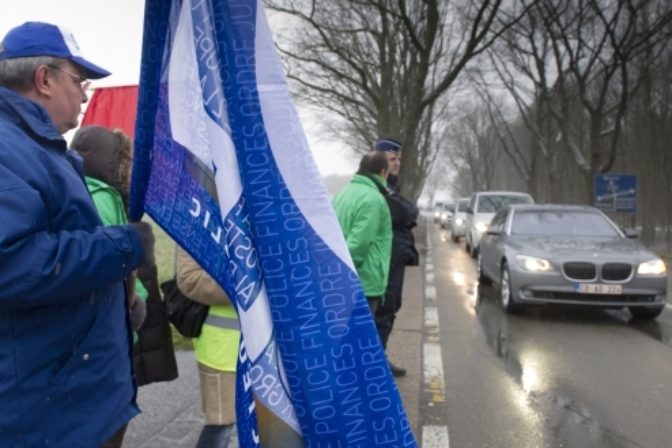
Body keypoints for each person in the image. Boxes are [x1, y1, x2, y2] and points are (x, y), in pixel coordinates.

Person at [0, 22, 155, 447]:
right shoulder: (7, 148)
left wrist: (114, 306)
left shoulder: (39, 148)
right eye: (79, 81)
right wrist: (125, 246)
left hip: (70, 399)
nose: (86, 94)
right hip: (44, 415)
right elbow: (12, 264)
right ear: (43, 79)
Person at [71, 125, 148, 336]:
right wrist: (135, 300)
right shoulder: (102, 197)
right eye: (125, 160)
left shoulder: (77, 189)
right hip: (108, 321)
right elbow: (116, 263)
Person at [176, 247, 240, 448]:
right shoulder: (201, 220)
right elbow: (189, 279)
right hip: (222, 350)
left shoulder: (264, 218)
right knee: (221, 425)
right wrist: (245, 285)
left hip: (267, 352)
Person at [373, 137, 420, 378]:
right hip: (385, 258)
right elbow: (405, 212)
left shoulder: (392, 185)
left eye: (399, 158)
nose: (398, 162)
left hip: (394, 256)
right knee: (384, 309)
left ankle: (379, 357)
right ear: (380, 159)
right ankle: (376, 362)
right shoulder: (379, 186)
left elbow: (410, 212)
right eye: (393, 158)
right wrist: (408, 211)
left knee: (390, 307)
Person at [332, 151, 392, 314]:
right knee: (360, 336)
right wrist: (348, 269)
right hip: (363, 283)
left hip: (341, 280)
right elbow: (359, 244)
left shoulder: (342, 194)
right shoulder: (373, 199)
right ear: (382, 172)